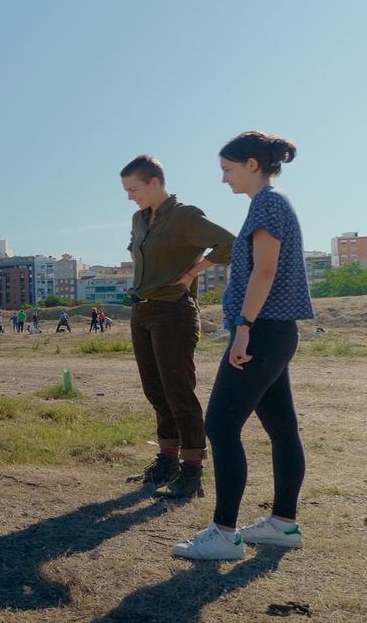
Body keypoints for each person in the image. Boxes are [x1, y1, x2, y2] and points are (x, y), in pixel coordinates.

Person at [172, 132, 311, 560]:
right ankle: (283, 525)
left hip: (263, 330)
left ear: (252, 164)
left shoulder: (268, 203)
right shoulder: (270, 202)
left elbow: (264, 272)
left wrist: (245, 327)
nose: (223, 179)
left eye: (227, 170)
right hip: (274, 330)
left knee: (220, 426)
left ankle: (224, 534)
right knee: (281, 428)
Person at [120, 153, 234, 501]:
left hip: (173, 311)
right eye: (126, 190)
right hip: (142, 311)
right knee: (155, 391)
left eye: (134, 188)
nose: (130, 196)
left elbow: (229, 244)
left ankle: (192, 471)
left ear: (155, 182)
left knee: (178, 392)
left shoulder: (185, 216)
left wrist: (190, 274)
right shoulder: (139, 220)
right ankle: (167, 461)